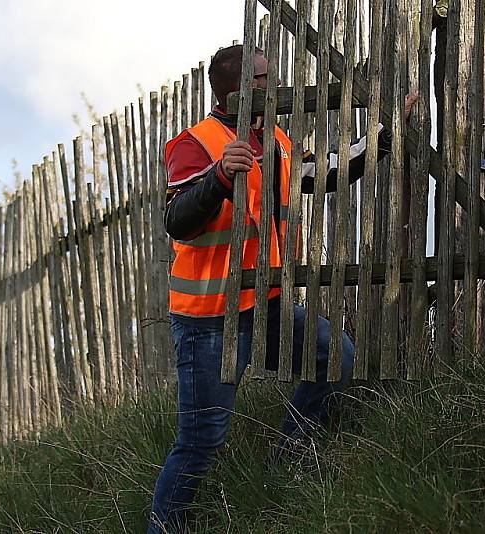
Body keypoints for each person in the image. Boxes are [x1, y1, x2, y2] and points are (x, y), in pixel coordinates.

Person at [148, 44, 417, 533]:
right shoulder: (196, 144)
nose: (275, 86)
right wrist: (218, 177)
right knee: (202, 439)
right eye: (264, 79)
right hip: (209, 319)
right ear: (237, 89)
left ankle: (283, 468)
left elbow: (322, 172)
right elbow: (178, 221)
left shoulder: (272, 138)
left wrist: (383, 135)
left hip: (265, 304)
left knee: (334, 357)